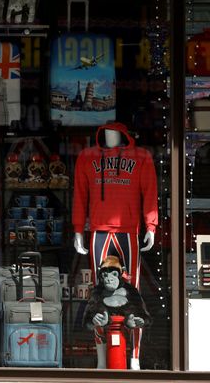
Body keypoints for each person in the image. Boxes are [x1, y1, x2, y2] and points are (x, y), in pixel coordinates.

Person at [71, 122, 157, 370]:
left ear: (123, 135)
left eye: (114, 134)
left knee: (133, 292)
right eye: (105, 134)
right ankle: (100, 358)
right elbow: (80, 195)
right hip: (98, 231)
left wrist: (151, 226)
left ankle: (135, 357)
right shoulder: (87, 158)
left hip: (128, 231)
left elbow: (149, 192)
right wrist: (79, 230)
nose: (109, 138)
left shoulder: (140, 157)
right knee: (98, 292)